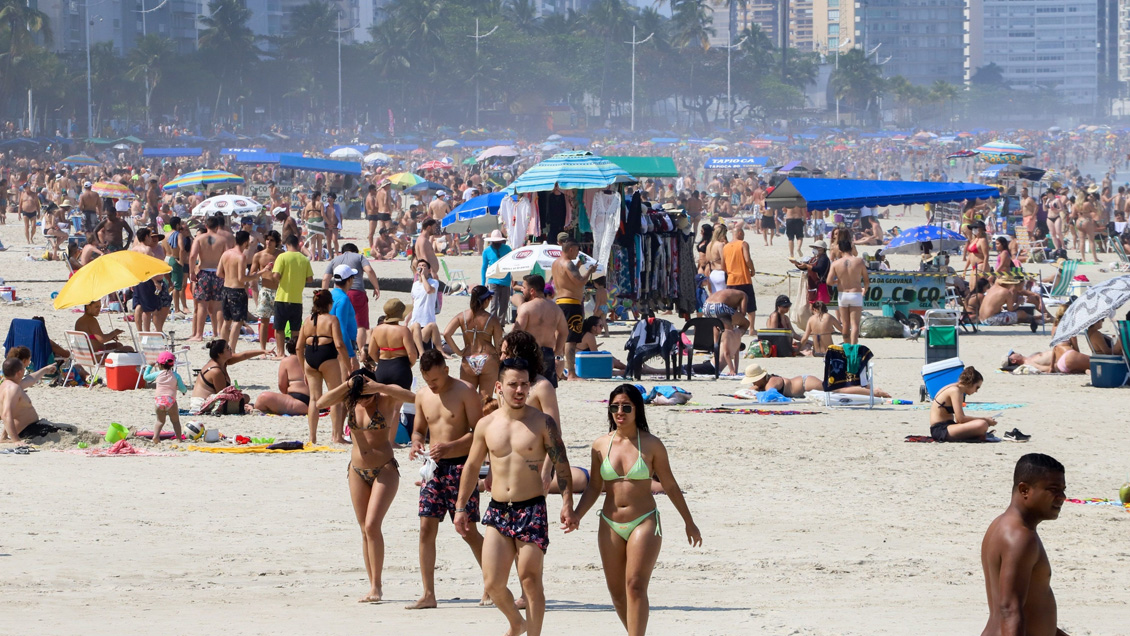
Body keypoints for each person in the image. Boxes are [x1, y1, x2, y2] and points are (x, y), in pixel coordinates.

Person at [453, 358, 577, 636]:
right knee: (493, 583)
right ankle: (516, 623)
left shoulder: (543, 423)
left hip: (531, 509)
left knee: (531, 580)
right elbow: (472, 467)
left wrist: (568, 504)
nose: (519, 390)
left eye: (524, 384)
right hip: (498, 511)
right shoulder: (486, 425)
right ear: (499, 387)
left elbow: (562, 464)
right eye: (513, 384)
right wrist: (461, 507)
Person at [574, 384, 702, 636]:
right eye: (614, 407)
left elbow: (671, 485)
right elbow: (593, 487)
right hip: (609, 522)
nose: (619, 412)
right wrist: (577, 515)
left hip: (643, 521)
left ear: (637, 409)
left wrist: (689, 522)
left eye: (626, 406)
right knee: (617, 593)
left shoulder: (652, 444)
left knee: (634, 586)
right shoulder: (600, 445)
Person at [318, 369, 415, 603]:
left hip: (385, 469)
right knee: (364, 529)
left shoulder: (386, 399)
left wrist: (379, 387)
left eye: (367, 394)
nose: (364, 399)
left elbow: (414, 397)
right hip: (356, 470)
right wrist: (348, 386)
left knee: (372, 525)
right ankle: (372, 585)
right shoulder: (351, 400)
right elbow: (321, 402)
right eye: (360, 395)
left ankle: (378, 586)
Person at [405, 349, 490, 609]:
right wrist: (416, 443)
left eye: (436, 380)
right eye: (427, 380)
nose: (432, 385)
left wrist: (450, 447)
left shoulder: (466, 392)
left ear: (446, 370)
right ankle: (428, 593)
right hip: (433, 469)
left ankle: (491, 585)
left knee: (468, 531)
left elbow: (480, 434)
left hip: (462, 468)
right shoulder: (422, 395)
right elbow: (419, 429)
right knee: (425, 528)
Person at [980, 454, 1069, 636]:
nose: (1062, 497)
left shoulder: (1001, 525)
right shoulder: (1020, 538)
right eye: (1053, 490)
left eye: (1063, 490)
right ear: (1024, 490)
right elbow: (1009, 610)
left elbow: (1033, 608)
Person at [297, 289, 350, 444]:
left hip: (310, 358)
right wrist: (348, 366)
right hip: (327, 357)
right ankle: (336, 436)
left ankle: (312, 437)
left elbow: (299, 348)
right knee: (335, 397)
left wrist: (303, 370)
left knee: (314, 399)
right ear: (329, 304)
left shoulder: (307, 320)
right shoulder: (332, 319)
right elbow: (339, 345)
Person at [322, 243, 381, 361]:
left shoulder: (335, 260)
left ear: (342, 252)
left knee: (339, 323)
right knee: (361, 325)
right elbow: (369, 270)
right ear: (356, 251)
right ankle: (360, 352)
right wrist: (376, 287)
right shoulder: (359, 257)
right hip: (357, 292)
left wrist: (324, 296)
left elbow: (325, 278)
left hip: (337, 292)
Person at [443, 286, 503, 400]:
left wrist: (459, 352)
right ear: (485, 300)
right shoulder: (491, 319)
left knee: (467, 398)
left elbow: (446, 333)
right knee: (485, 399)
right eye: (489, 299)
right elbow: (499, 344)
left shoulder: (463, 316)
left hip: (469, 357)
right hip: (487, 358)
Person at [552, 237, 598, 380]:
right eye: (577, 250)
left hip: (560, 302)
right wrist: (589, 271)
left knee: (559, 337)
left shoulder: (556, 263)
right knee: (571, 340)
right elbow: (579, 282)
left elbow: (569, 278)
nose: (577, 253)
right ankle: (571, 372)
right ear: (570, 249)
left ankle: (558, 371)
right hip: (571, 304)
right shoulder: (568, 264)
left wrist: (578, 265)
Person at [513, 274, 568, 388]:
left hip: (529, 353)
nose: (522, 290)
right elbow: (564, 332)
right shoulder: (555, 308)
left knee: (527, 390)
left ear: (532, 291)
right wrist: (557, 351)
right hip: (547, 353)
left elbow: (516, 334)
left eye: (524, 287)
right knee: (547, 391)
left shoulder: (526, 308)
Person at [268, 234, 314, 358]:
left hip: (282, 297)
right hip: (297, 299)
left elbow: (276, 277)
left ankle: (281, 353)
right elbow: (310, 279)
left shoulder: (282, 257)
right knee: (295, 329)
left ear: (287, 244)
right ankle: (295, 353)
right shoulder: (304, 259)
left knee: (279, 328)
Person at [190, 339, 266, 413]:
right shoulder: (216, 371)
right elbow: (224, 395)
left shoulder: (221, 361)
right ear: (220, 353)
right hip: (201, 404)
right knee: (244, 398)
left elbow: (244, 355)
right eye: (227, 348)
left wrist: (263, 351)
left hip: (209, 399)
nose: (230, 349)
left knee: (244, 397)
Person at [187, 215, 231, 342]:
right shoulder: (222, 240)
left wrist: (191, 272)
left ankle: (199, 335)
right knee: (217, 307)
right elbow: (227, 256)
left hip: (204, 273)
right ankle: (219, 334)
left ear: (206, 226)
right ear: (217, 226)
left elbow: (192, 256)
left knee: (202, 306)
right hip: (218, 273)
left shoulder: (200, 238)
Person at [740, 362, 891, 398]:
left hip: (806, 384)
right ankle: (863, 386)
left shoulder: (772, 382)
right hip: (804, 382)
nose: (753, 384)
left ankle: (873, 392)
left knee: (836, 390)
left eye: (754, 380)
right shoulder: (766, 383)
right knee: (836, 389)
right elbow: (755, 390)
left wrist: (756, 394)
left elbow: (770, 396)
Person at [218, 230, 263, 351]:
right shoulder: (241, 256)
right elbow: (241, 278)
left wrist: (229, 277)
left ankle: (222, 348)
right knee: (237, 322)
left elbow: (219, 273)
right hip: (237, 291)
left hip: (226, 289)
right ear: (245, 242)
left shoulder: (226, 253)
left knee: (227, 321)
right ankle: (231, 349)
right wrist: (258, 274)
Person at [928, 367, 998, 442]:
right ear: (970, 383)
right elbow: (960, 419)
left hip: (947, 426)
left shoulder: (954, 387)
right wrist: (986, 419)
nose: (976, 391)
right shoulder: (955, 391)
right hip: (940, 430)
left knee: (981, 424)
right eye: (976, 387)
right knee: (982, 424)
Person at [367, 298, 418, 396]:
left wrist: (381, 362)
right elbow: (412, 353)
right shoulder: (403, 330)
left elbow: (371, 352)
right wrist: (408, 365)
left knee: (384, 405)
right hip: (400, 368)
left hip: (382, 369)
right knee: (401, 404)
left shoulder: (376, 330)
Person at [826, 235, 870, 345]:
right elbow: (866, 280)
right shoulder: (859, 261)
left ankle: (846, 346)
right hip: (855, 293)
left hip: (843, 294)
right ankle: (854, 347)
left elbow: (829, 281)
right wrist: (865, 289)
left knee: (845, 324)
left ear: (840, 249)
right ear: (851, 248)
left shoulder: (836, 263)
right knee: (854, 324)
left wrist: (838, 281)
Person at [252, 338, 310, 416]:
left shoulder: (287, 361)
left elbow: (282, 386)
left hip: (298, 402)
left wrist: (286, 397)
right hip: (312, 400)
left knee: (262, 398)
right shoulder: (311, 360)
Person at [141, 351, 188, 443]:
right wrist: (184, 391)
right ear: (172, 365)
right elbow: (182, 388)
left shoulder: (157, 374)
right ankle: (179, 438)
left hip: (159, 401)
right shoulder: (176, 375)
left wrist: (149, 366)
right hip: (170, 400)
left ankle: (156, 437)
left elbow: (146, 377)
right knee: (175, 421)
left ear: (159, 364)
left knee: (160, 421)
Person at [701, 288, 750, 376]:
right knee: (746, 323)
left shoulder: (729, 293)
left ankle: (716, 346)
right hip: (720, 306)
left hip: (706, 306)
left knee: (716, 325)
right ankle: (733, 341)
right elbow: (742, 314)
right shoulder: (743, 295)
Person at [723, 225, 757, 337]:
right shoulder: (743, 244)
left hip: (731, 281)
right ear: (739, 233)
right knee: (750, 305)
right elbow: (747, 259)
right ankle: (751, 329)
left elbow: (723, 265)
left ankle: (731, 328)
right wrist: (752, 269)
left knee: (732, 307)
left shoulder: (726, 247)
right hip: (744, 279)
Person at [252, 230, 283, 354]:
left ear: (277, 242)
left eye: (272, 240)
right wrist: (263, 270)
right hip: (265, 291)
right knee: (264, 321)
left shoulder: (281, 255)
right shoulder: (259, 255)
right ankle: (263, 349)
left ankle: (278, 348)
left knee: (278, 321)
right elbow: (252, 274)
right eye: (267, 239)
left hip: (279, 290)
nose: (269, 242)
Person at [979, 275, 1044, 328]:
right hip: (991, 320)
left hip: (981, 319)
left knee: (1019, 316)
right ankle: (1039, 319)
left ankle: (1038, 318)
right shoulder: (1006, 292)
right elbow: (1011, 310)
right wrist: (1018, 302)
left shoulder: (993, 288)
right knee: (1021, 313)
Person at [408, 259, 444, 354]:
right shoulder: (415, 285)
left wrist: (423, 276)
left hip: (426, 323)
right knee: (415, 326)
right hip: (415, 323)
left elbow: (429, 290)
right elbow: (414, 305)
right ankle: (421, 353)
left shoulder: (434, 282)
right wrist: (407, 321)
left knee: (432, 327)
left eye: (424, 266)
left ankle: (440, 352)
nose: (421, 267)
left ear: (429, 270)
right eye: (420, 266)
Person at [329, 265, 360, 369]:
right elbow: (341, 328)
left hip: (330, 341)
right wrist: (351, 355)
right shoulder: (343, 299)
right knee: (347, 380)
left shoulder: (330, 294)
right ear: (349, 280)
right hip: (344, 344)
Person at [481, 230, 513, 325]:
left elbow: (512, 264)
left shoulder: (507, 249)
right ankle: (492, 324)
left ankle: (501, 325)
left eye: (498, 242)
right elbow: (484, 268)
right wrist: (483, 283)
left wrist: (513, 278)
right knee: (494, 305)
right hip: (493, 281)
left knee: (504, 305)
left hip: (506, 281)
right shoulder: (486, 251)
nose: (497, 244)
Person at [791, 240, 831, 306]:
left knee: (820, 307)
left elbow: (818, 268)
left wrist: (806, 265)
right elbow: (805, 267)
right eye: (814, 247)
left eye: (817, 247)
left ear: (823, 249)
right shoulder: (813, 259)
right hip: (812, 285)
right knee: (813, 307)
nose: (815, 249)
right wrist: (796, 263)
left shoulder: (824, 258)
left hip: (821, 286)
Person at [706, 224, 728, 293]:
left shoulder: (709, 244)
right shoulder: (720, 244)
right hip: (720, 272)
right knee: (724, 297)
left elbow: (707, 259)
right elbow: (724, 259)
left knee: (715, 296)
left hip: (712, 273)